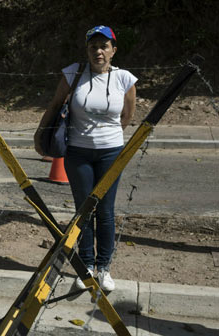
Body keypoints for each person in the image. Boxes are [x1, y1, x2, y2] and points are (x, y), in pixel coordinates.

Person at [34, 26, 137, 292]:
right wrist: (40, 135)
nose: (98, 51)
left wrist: (107, 137)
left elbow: (127, 116)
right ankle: (86, 267)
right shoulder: (73, 73)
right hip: (77, 152)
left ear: (114, 50)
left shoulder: (125, 79)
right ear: (87, 50)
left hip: (111, 152)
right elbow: (55, 105)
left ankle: (104, 268)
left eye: (104, 46)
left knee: (105, 210)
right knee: (83, 211)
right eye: (93, 47)